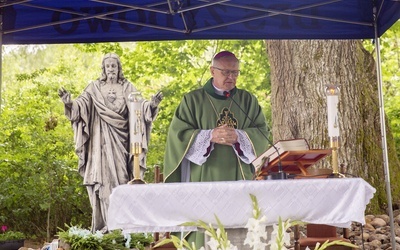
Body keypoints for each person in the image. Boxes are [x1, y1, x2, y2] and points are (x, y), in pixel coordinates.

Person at [163, 50, 269, 247]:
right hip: (204, 177)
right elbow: (177, 136)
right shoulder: (192, 100)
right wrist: (209, 136)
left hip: (240, 178)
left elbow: (263, 132)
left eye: (235, 73)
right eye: (226, 72)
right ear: (212, 70)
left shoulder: (247, 100)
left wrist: (240, 135)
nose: (231, 77)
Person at [58, 52, 162, 232]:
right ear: (104, 69)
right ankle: (105, 226)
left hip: (121, 144)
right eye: (108, 66)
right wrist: (69, 103)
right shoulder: (94, 88)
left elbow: (139, 106)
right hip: (99, 144)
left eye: (114, 65)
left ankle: (121, 227)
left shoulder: (128, 87)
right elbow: (80, 106)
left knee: (122, 180)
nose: (111, 69)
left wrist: (151, 105)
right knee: (103, 182)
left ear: (119, 68)